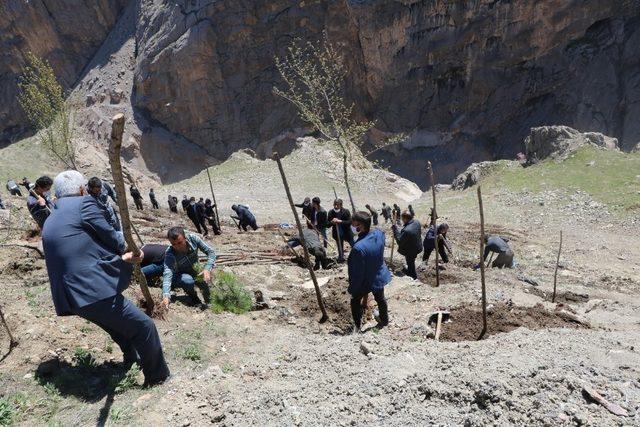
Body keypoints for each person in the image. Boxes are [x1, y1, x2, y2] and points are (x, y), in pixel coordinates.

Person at [42, 170, 170, 387]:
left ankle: (131, 359)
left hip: (68, 295)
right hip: (88, 288)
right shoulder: (84, 204)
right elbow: (110, 235)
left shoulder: (53, 215)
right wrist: (131, 250)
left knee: (116, 326)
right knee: (144, 326)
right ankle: (158, 378)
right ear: (82, 189)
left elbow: (80, 247)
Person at [347, 211, 391, 332]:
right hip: (378, 275)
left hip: (365, 281)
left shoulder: (358, 248)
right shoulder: (379, 233)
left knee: (355, 301)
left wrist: (352, 289)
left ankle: (357, 326)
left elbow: (358, 274)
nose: (351, 225)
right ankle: (384, 320)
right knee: (380, 298)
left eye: (353, 224)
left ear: (360, 226)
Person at [162, 226, 216, 308]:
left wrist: (207, 268)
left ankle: (210, 304)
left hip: (195, 270)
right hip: (179, 275)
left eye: (180, 242)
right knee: (188, 280)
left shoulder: (193, 239)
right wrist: (166, 296)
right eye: (173, 244)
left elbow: (211, 252)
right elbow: (167, 274)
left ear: (185, 238)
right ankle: (194, 299)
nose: (177, 246)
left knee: (205, 285)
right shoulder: (170, 253)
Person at [392, 210, 422, 279]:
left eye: (402, 219)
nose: (402, 221)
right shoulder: (417, 222)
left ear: (405, 219)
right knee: (411, 261)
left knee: (410, 262)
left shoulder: (407, 230)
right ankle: (410, 271)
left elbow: (400, 241)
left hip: (410, 250)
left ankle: (413, 276)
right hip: (417, 246)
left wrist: (395, 230)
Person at [328, 199, 354, 263]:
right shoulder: (331, 212)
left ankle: (358, 256)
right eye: (334, 204)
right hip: (337, 234)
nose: (336, 206)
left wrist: (340, 221)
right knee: (340, 246)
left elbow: (349, 222)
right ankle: (341, 257)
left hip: (347, 233)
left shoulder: (346, 211)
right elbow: (327, 224)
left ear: (341, 205)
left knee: (354, 245)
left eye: (337, 205)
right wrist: (332, 222)